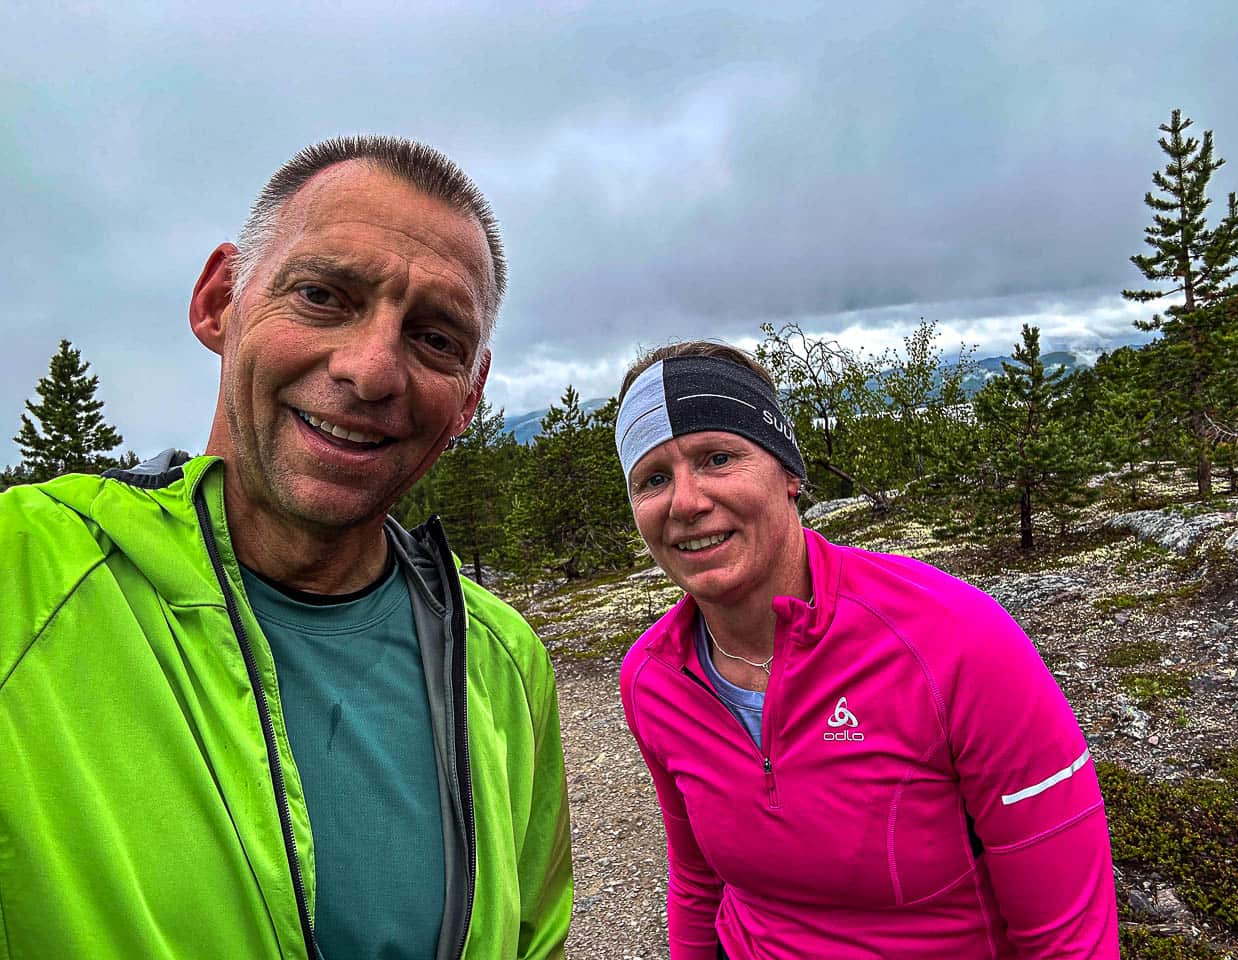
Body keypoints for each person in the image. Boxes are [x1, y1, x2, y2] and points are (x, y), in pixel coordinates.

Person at [0, 137, 572, 959]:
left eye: (435, 339)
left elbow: (534, 938)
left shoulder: (504, 660)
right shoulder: (23, 573)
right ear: (220, 301)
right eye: (322, 295)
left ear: (469, 397)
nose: (373, 370)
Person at [614, 341, 1119, 959]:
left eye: (718, 458)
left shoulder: (953, 638)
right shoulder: (653, 677)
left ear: (788, 471)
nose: (686, 502)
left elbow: (1069, 935)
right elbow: (697, 880)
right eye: (654, 479)